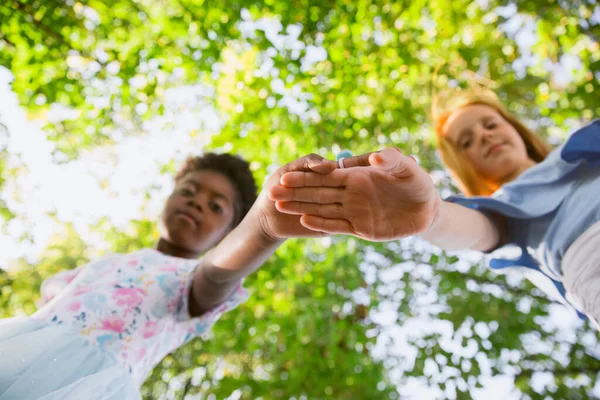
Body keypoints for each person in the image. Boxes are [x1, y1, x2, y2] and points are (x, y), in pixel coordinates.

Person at [0, 152, 334, 400]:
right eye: (189, 191)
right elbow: (55, 287)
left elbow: (216, 276)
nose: (197, 203)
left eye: (216, 206)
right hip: (24, 349)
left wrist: (262, 226)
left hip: (87, 385)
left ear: (226, 235)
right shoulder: (114, 260)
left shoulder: (192, 279)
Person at [269, 88, 600, 328]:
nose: (484, 137)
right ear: (463, 165)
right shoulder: (501, 211)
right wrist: (431, 215)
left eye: (490, 124)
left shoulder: (585, 148)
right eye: (467, 141)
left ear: (514, 126)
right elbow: (472, 228)